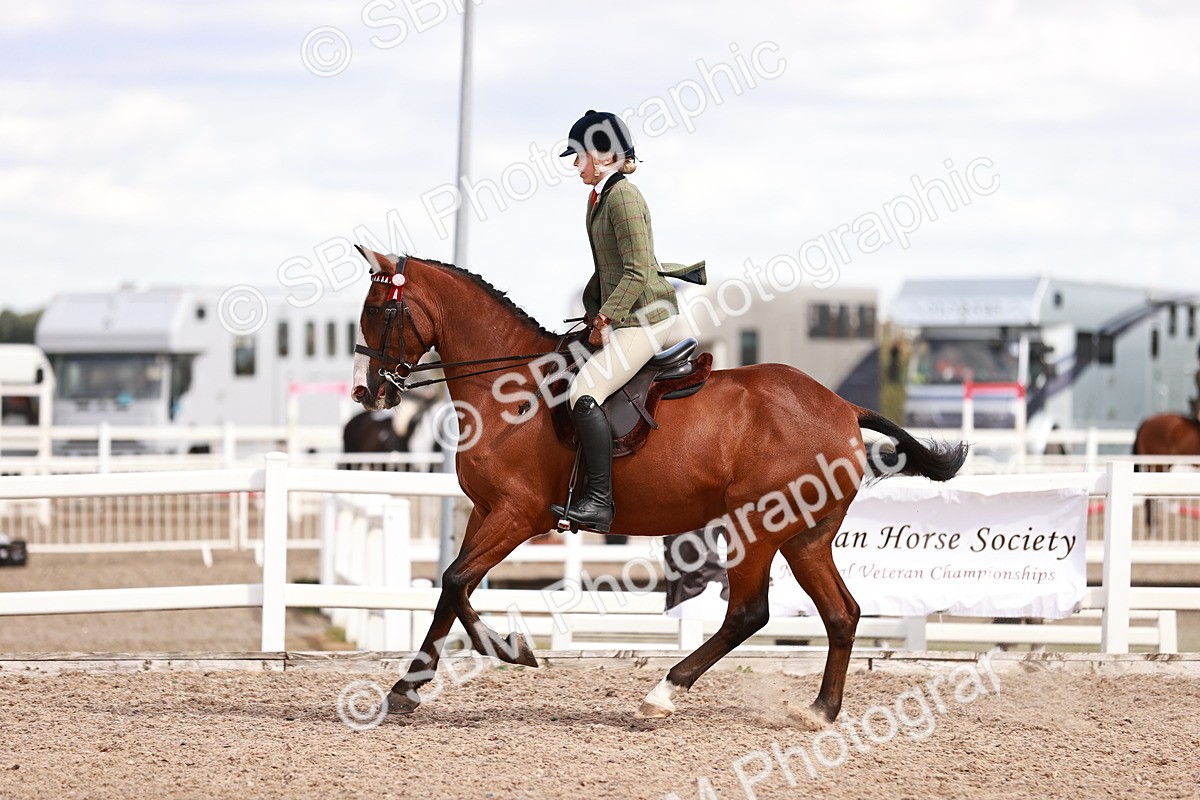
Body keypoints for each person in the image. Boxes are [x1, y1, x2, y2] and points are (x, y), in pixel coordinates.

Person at [548, 110, 697, 533]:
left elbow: (634, 271)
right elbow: (606, 268)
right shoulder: (599, 198)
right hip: (624, 313)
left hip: (646, 317)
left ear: (605, 155)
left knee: (582, 392)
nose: (576, 166)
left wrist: (606, 317)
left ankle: (599, 501)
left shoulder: (625, 197)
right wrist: (592, 310)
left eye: (579, 157)